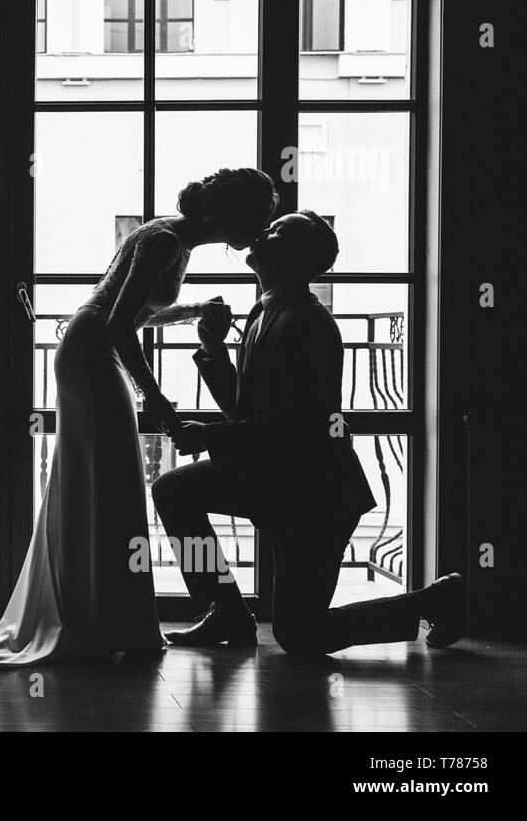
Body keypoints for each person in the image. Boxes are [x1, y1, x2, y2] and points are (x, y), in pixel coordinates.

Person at [0, 168, 279, 671]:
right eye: (255, 218)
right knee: (110, 482)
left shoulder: (168, 236)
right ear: (224, 215)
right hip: (92, 356)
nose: (258, 230)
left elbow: (130, 312)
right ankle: (101, 620)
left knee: (105, 482)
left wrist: (191, 310)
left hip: (91, 348)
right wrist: (160, 403)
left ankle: (104, 617)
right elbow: (122, 326)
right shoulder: (166, 242)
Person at [155, 211, 465, 654]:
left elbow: (297, 423)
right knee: (173, 489)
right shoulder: (268, 311)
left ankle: (435, 600)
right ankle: (223, 610)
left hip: (317, 495)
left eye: (277, 232)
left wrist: (209, 436)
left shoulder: (309, 323)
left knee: (301, 633)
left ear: (296, 258)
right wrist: (213, 350)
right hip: (282, 481)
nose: (262, 232)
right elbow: (246, 409)